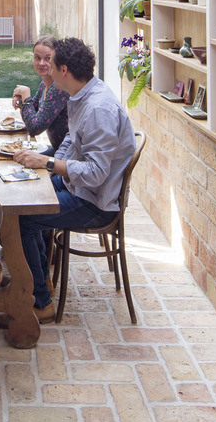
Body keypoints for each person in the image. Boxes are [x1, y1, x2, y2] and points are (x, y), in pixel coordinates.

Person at [11, 37, 136, 324]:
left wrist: (50, 163)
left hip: (94, 201)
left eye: (51, 66)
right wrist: (46, 167)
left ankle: (40, 301)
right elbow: (70, 139)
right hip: (77, 185)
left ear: (63, 69)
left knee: (23, 218)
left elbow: (95, 174)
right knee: (27, 191)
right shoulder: (83, 95)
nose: (47, 72)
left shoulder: (98, 109)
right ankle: (37, 277)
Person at [10, 35, 69, 155]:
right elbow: (31, 117)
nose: (41, 63)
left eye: (48, 59)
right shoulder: (44, 85)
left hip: (67, 158)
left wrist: (26, 95)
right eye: (37, 57)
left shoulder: (58, 88)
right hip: (57, 149)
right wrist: (22, 100)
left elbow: (35, 128)